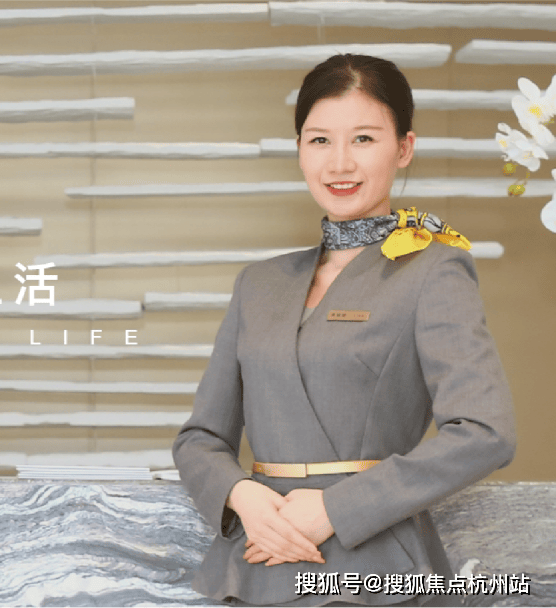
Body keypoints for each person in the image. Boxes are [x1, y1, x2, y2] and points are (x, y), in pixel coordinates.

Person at [172, 53, 517, 607]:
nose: (339, 163)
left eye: (363, 139)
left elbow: (485, 432)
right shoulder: (258, 283)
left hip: (373, 557)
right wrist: (242, 497)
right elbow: (200, 439)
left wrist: (335, 509)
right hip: (259, 554)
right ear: (299, 150)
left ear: (403, 148)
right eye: (319, 140)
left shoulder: (434, 271)